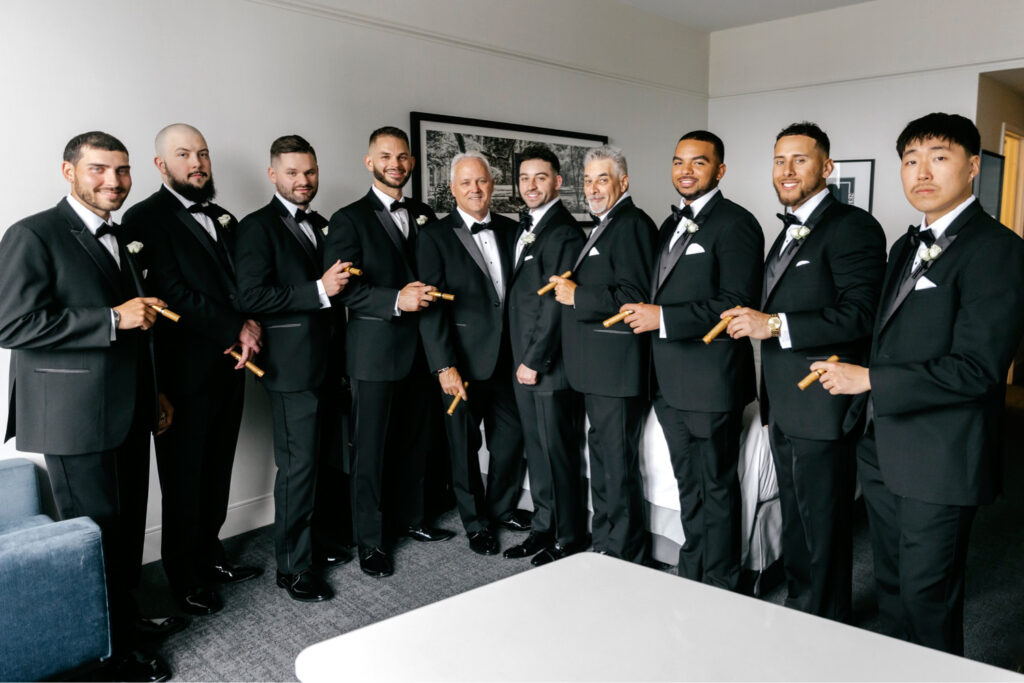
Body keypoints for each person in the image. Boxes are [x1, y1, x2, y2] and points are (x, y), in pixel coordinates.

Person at [812, 113, 1024, 654]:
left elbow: (977, 369)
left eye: (939, 156)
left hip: (941, 458)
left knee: (929, 599)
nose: (921, 171)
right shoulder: (908, 245)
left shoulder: (997, 249)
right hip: (884, 449)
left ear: (973, 167)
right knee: (891, 588)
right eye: (910, 160)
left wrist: (870, 379)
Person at [0, 131, 180, 681]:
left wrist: (154, 391)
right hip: (73, 419)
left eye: (123, 171)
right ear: (68, 171)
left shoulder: (120, 237)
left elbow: (138, 322)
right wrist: (109, 319)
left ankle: (123, 620)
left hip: (127, 408)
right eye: (100, 169)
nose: (114, 181)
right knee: (94, 534)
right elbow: (11, 324)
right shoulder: (33, 233)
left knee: (124, 531)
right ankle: (111, 653)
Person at [726, 122, 886, 621]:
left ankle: (827, 621)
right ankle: (799, 606)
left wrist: (772, 324)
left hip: (824, 401)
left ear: (826, 167)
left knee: (823, 523)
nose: (787, 170)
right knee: (796, 520)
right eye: (779, 160)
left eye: (800, 159)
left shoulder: (853, 227)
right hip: (785, 403)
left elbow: (861, 312)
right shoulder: (788, 229)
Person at [123, 123, 263, 616]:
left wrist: (249, 322)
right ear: (161, 165)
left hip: (232, 366)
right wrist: (233, 328)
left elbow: (242, 284)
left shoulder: (225, 217)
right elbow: (170, 294)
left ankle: (211, 554)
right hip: (181, 376)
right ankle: (182, 577)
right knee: (184, 477)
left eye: (202, 153)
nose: (197, 163)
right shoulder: (142, 219)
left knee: (218, 467)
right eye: (184, 155)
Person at [621, 131, 763, 588]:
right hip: (667, 381)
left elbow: (735, 302)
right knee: (689, 484)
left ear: (719, 170)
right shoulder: (670, 225)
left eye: (698, 163)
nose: (685, 170)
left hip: (711, 380)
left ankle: (721, 583)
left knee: (717, 486)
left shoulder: (738, 223)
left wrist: (662, 317)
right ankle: (694, 569)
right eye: (679, 161)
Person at [324, 126, 454, 578]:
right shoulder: (347, 219)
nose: (395, 164)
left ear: (411, 164)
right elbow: (344, 291)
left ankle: (415, 519)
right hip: (374, 353)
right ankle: (372, 542)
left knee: (418, 442)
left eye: (402, 157)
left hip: (423, 349)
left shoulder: (424, 213)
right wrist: (397, 299)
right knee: (371, 451)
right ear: (369, 162)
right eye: (385, 156)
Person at [234, 135, 351, 602]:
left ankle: (315, 543)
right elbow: (250, 296)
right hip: (288, 368)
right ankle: (292, 568)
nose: (304, 181)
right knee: (298, 467)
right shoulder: (255, 228)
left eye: (310, 172)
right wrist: (318, 290)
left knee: (320, 462)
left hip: (328, 364)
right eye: (293, 173)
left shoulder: (322, 224)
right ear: (273, 175)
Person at [550, 145, 657, 564]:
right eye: (589, 180)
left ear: (623, 183)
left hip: (618, 371)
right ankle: (605, 545)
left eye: (603, 180)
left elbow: (634, 296)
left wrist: (578, 295)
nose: (593, 189)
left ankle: (625, 555)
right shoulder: (605, 224)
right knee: (605, 461)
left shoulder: (631, 225)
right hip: (598, 372)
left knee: (617, 466)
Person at [418, 151, 525, 556]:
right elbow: (431, 308)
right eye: (465, 183)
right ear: (452, 189)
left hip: (507, 359)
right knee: (462, 447)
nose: (475, 189)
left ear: (491, 185)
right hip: (459, 362)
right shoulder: (434, 236)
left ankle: (500, 509)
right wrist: (443, 365)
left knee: (510, 441)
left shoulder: (514, 231)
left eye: (480, 181)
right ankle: (476, 523)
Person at [504, 145, 587, 566]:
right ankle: (543, 528)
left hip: (548, 365)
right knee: (537, 451)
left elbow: (556, 304)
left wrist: (534, 360)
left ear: (557, 181)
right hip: (524, 359)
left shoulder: (565, 233)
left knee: (557, 452)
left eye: (540, 177)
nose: (531, 185)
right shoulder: (528, 226)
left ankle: (569, 535)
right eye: (524, 178)